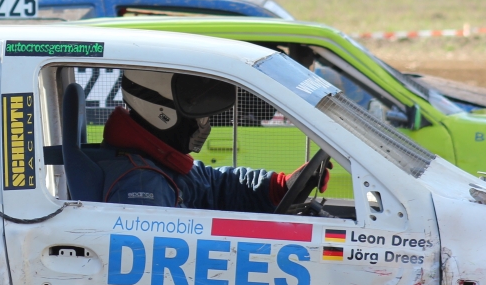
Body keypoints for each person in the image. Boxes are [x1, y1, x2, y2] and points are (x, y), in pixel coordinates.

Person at [91, 70, 329, 213]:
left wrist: (280, 186)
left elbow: (214, 186)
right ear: (162, 113)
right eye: (198, 116)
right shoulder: (143, 184)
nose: (204, 125)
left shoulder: (158, 160)